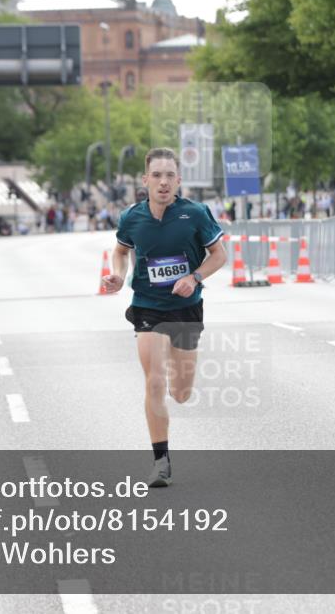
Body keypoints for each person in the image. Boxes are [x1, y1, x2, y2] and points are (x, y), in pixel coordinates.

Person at [101, 147, 228, 487]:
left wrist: (194, 278)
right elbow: (121, 251)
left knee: (181, 393)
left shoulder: (195, 214)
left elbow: (219, 255)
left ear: (178, 180)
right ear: (145, 180)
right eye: (156, 175)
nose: (163, 182)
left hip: (186, 307)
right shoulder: (132, 217)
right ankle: (161, 462)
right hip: (148, 305)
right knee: (154, 381)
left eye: (170, 175)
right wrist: (118, 275)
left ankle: (177, 370)